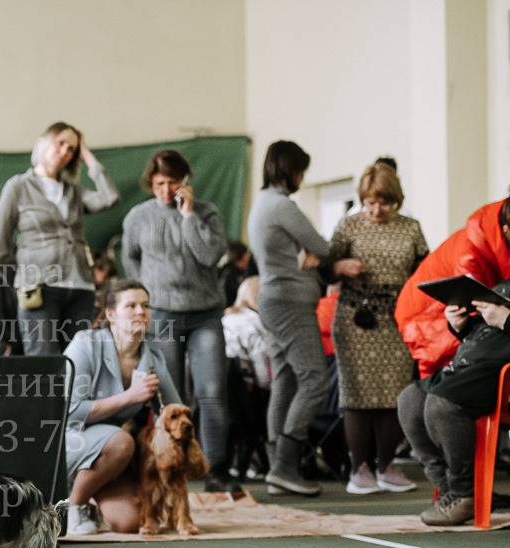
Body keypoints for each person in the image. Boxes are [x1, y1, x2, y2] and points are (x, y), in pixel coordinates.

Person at [246, 140, 363, 496]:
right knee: (315, 381)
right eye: (301, 171)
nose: (301, 178)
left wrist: (308, 255)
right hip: (289, 303)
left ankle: (276, 467)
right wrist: (320, 255)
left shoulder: (261, 204)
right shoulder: (282, 205)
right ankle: (284, 465)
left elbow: (310, 251)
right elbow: (324, 247)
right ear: (290, 169)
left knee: (285, 380)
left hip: (273, 300)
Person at [121, 149, 234, 491]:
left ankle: (215, 470)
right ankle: (169, 465)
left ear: (184, 181)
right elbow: (130, 261)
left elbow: (210, 256)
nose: (165, 190)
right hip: (163, 316)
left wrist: (188, 217)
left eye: (172, 182)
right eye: (159, 183)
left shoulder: (207, 213)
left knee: (212, 391)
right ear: (150, 183)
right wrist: (149, 296)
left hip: (205, 316)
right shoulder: (138, 216)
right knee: (169, 397)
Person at [328, 163, 429, 494]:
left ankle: (386, 466)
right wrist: (339, 266)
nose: (375, 210)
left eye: (383, 203)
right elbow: (324, 269)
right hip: (354, 319)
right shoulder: (348, 226)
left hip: (397, 320)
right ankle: (359, 469)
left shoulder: (411, 228)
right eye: (369, 203)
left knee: (394, 395)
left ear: (395, 200)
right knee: (356, 395)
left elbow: (425, 271)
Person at [0, 121, 120, 356]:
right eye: (60, 143)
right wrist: (24, 278)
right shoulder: (18, 186)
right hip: (39, 291)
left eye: (72, 149)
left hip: (82, 289)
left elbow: (110, 198)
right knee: (44, 363)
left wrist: (88, 156)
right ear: (43, 142)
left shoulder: (74, 191)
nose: (65, 152)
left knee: (80, 363)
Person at [64, 279, 181, 535]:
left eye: (146, 305)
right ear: (110, 315)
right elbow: (68, 411)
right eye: (131, 306)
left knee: (130, 522)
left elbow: (174, 410)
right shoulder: (85, 343)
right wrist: (129, 397)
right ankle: (74, 506)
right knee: (122, 440)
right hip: (67, 441)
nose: (141, 311)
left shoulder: (153, 356)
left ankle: (90, 495)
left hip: (110, 455)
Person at [398, 282, 510, 525]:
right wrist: (461, 324)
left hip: (499, 377)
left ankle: (464, 493)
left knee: (442, 403)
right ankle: (448, 487)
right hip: (468, 364)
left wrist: (505, 320)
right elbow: (485, 335)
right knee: (410, 400)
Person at [396, 198, 510, 377]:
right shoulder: (470, 257)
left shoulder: (493, 229)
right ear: (506, 230)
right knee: (442, 368)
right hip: (424, 313)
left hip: (426, 307)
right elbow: (479, 321)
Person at [221, 275, 271, 480]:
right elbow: (261, 364)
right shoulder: (256, 323)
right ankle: (264, 462)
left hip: (223, 387)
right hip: (245, 389)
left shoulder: (224, 319)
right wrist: (266, 387)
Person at [218, 240, 256, 318]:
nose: (248, 258)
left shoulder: (239, 272)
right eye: (246, 254)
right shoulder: (229, 274)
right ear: (241, 257)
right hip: (227, 313)